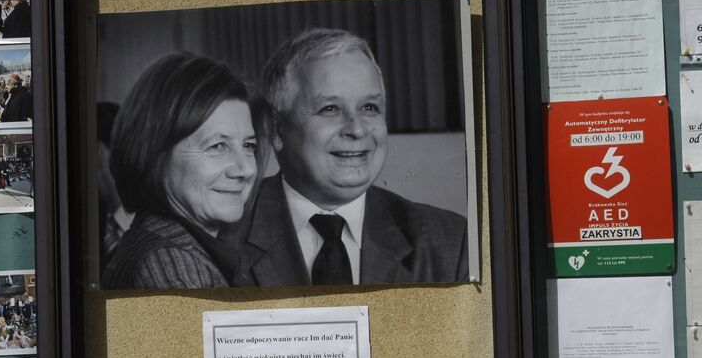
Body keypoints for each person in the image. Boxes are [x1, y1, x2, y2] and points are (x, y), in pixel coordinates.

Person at [226, 28, 467, 286]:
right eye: (329, 109)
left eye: (369, 108)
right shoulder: (222, 238)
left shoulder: (451, 242)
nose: (357, 129)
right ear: (276, 129)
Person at [101, 54, 260, 289]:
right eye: (217, 146)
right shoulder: (170, 266)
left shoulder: (171, 247)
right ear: (156, 156)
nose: (246, 169)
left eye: (249, 146)